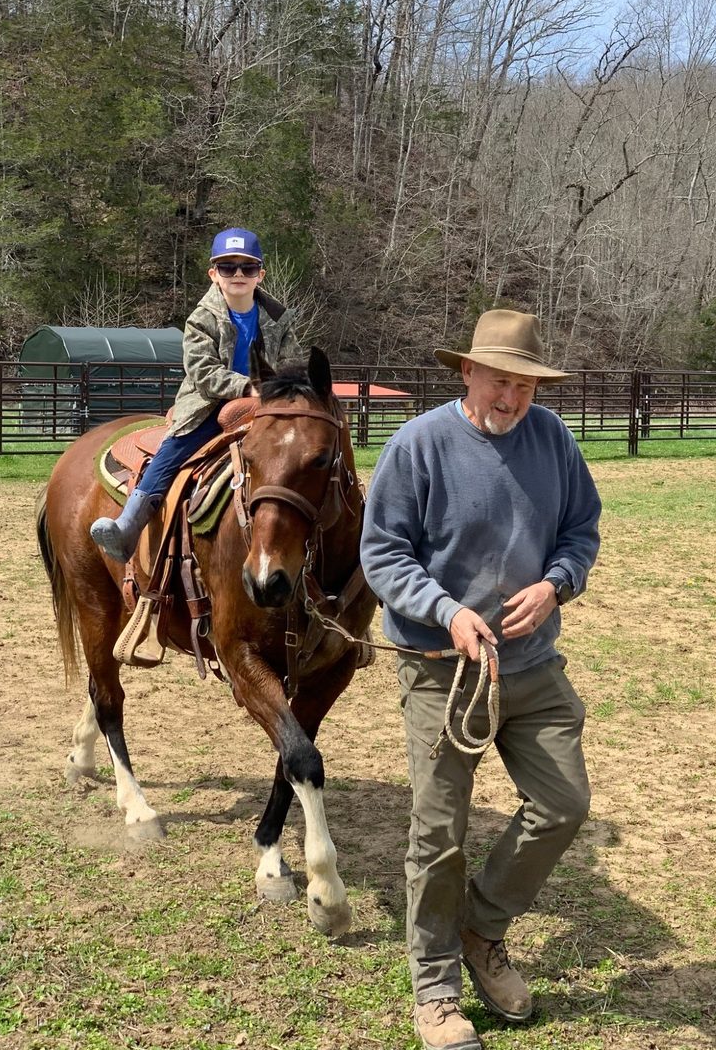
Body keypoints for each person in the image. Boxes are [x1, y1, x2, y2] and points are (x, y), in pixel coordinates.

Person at [360, 309, 601, 1050]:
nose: (514, 398)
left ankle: (479, 925)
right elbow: (383, 552)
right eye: (501, 380)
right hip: (443, 673)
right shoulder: (419, 444)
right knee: (439, 835)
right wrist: (446, 612)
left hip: (530, 667)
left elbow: (582, 528)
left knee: (564, 804)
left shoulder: (552, 439)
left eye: (526, 385)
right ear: (466, 371)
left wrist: (557, 582)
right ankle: (435, 992)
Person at [91, 228, 301, 562]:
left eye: (247, 268)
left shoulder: (279, 318)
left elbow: (292, 363)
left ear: (260, 274)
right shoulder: (201, 319)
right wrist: (247, 387)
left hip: (267, 403)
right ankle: (128, 525)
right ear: (213, 274)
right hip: (209, 405)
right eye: (227, 267)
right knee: (174, 449)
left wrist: (282, 389)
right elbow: (203, 372)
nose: (237, 274)